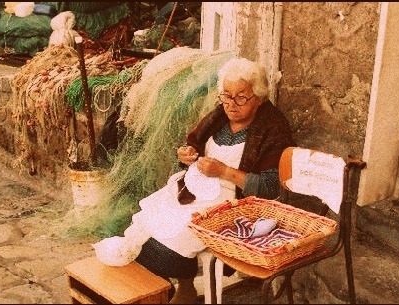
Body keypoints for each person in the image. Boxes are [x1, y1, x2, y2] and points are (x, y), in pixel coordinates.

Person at [92, 57, 295, 303]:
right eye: (226, 95)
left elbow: (270, 187)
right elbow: (194, 143)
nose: (231, 104)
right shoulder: (220, 115)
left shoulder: (274, 127)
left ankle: (177, 290)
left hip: (235, 205)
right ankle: (178, 290)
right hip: (197, 190)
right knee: (142, 231)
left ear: (260, 97)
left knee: (162, 253)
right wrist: (187, 154)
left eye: (241, 97)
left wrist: (224, 171)